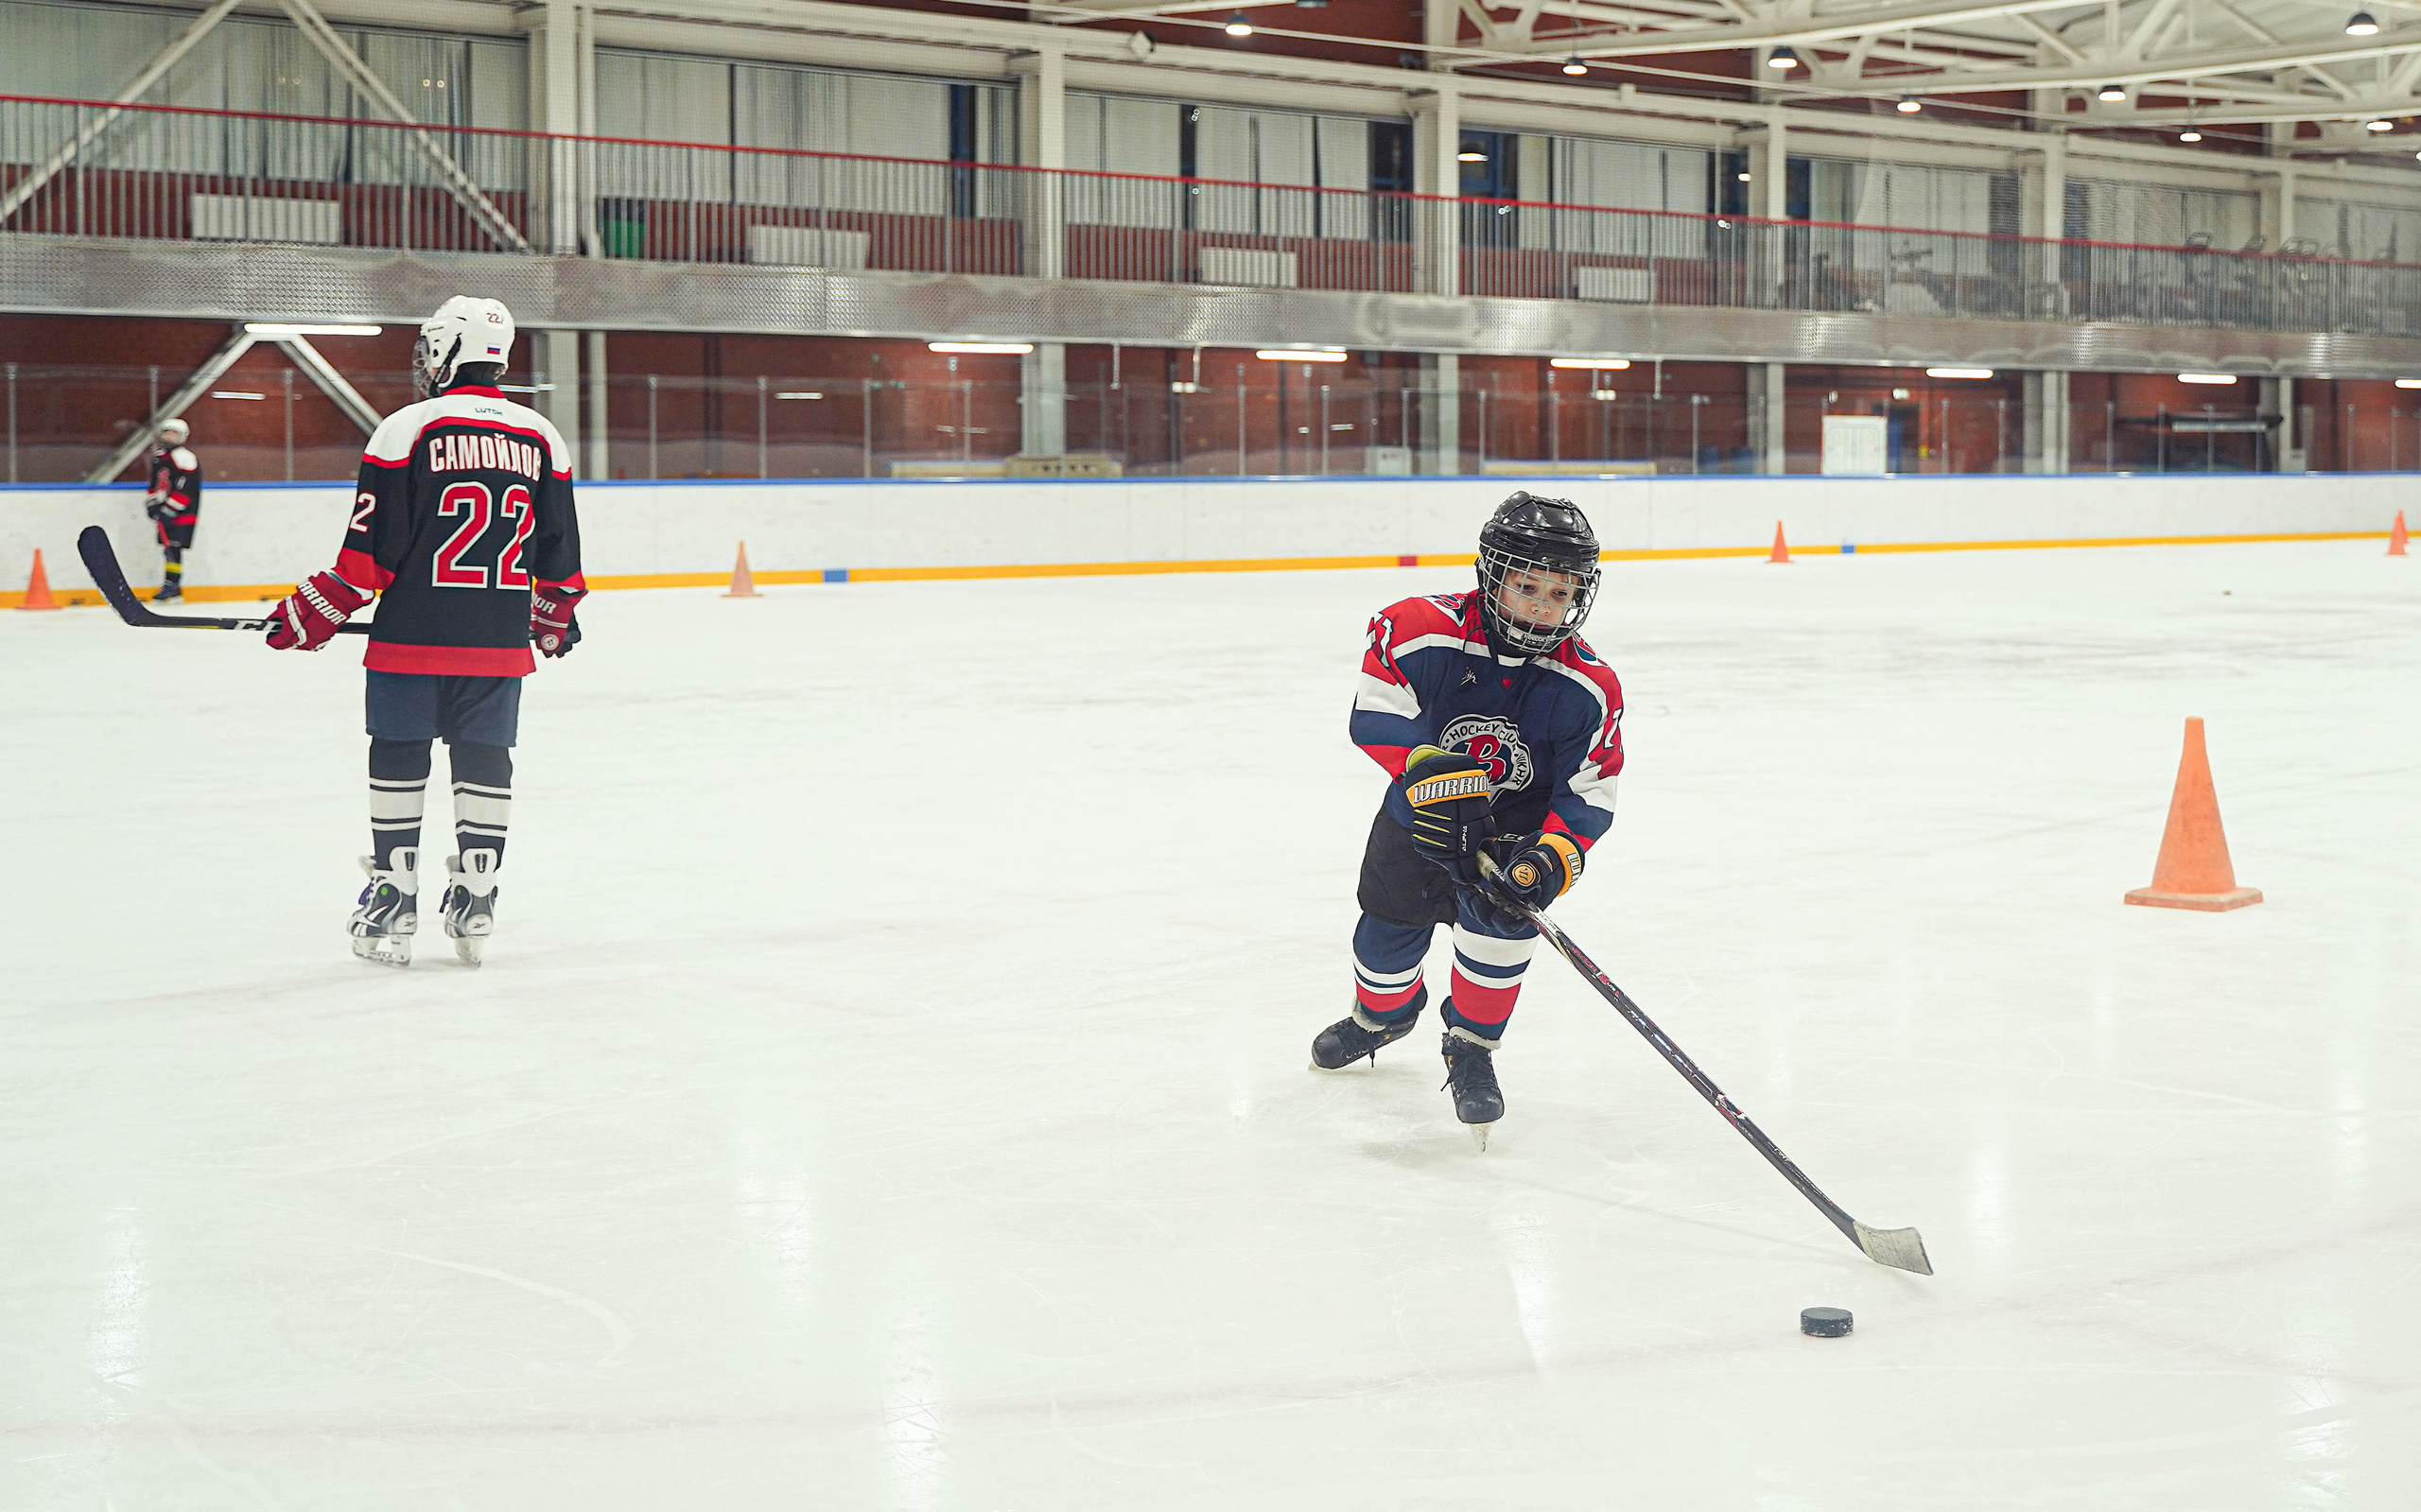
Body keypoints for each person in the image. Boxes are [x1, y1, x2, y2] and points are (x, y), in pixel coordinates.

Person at [264, 296, 585, 968]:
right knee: (485, 758)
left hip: (410, 641)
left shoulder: (406, 430)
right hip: (498, 647)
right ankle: (475, 894)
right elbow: (560, 564)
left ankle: (393, 895)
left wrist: (313, 610)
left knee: (400, 750)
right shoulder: (542, 438)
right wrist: (553, 620)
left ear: (447, 348)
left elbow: (367, 558)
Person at [1308, 492, 1624, 1145]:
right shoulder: (1421, 627)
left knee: (1496, 946)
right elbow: (1380, 710)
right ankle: (1382, 1017)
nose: (1542, 606)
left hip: (1511, 842)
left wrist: (1548, 859)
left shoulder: (1589, 685)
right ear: (1493, 574)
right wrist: (1437, 780)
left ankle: (1472, 1047)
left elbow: (1588, 794)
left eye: (1559, 592)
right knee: (1383, 944)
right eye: (1527, 586)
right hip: (1415, 825)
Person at [143, 417, 202, 602]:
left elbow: (186, 488)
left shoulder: (185, 458)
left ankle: (173, 585)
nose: (169, 437)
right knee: (168, 548)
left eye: (174, 434)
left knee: (174, 547)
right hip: (165, 509)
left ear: (183, 437)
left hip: (183, 513)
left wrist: (170, 509)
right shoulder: (160, 458)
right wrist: (152, 503)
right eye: (167, 432)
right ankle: (171, 585)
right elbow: (155, 484)